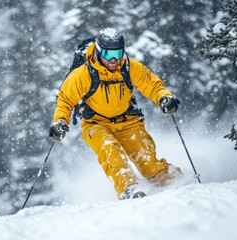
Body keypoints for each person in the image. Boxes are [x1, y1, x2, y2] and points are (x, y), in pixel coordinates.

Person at [49, 28, 182, 200]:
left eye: (118, 53)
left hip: (128, 121)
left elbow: (151, 85)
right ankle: (128, 188)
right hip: (96, 124)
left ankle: (175, 179)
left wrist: (164, 98)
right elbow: (66, 99)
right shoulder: (83, 74)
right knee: (110, 150)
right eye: (107, 53)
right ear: (98, 51)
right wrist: (60, 121)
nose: (113, 59)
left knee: (148, 163)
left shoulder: (129, 67)